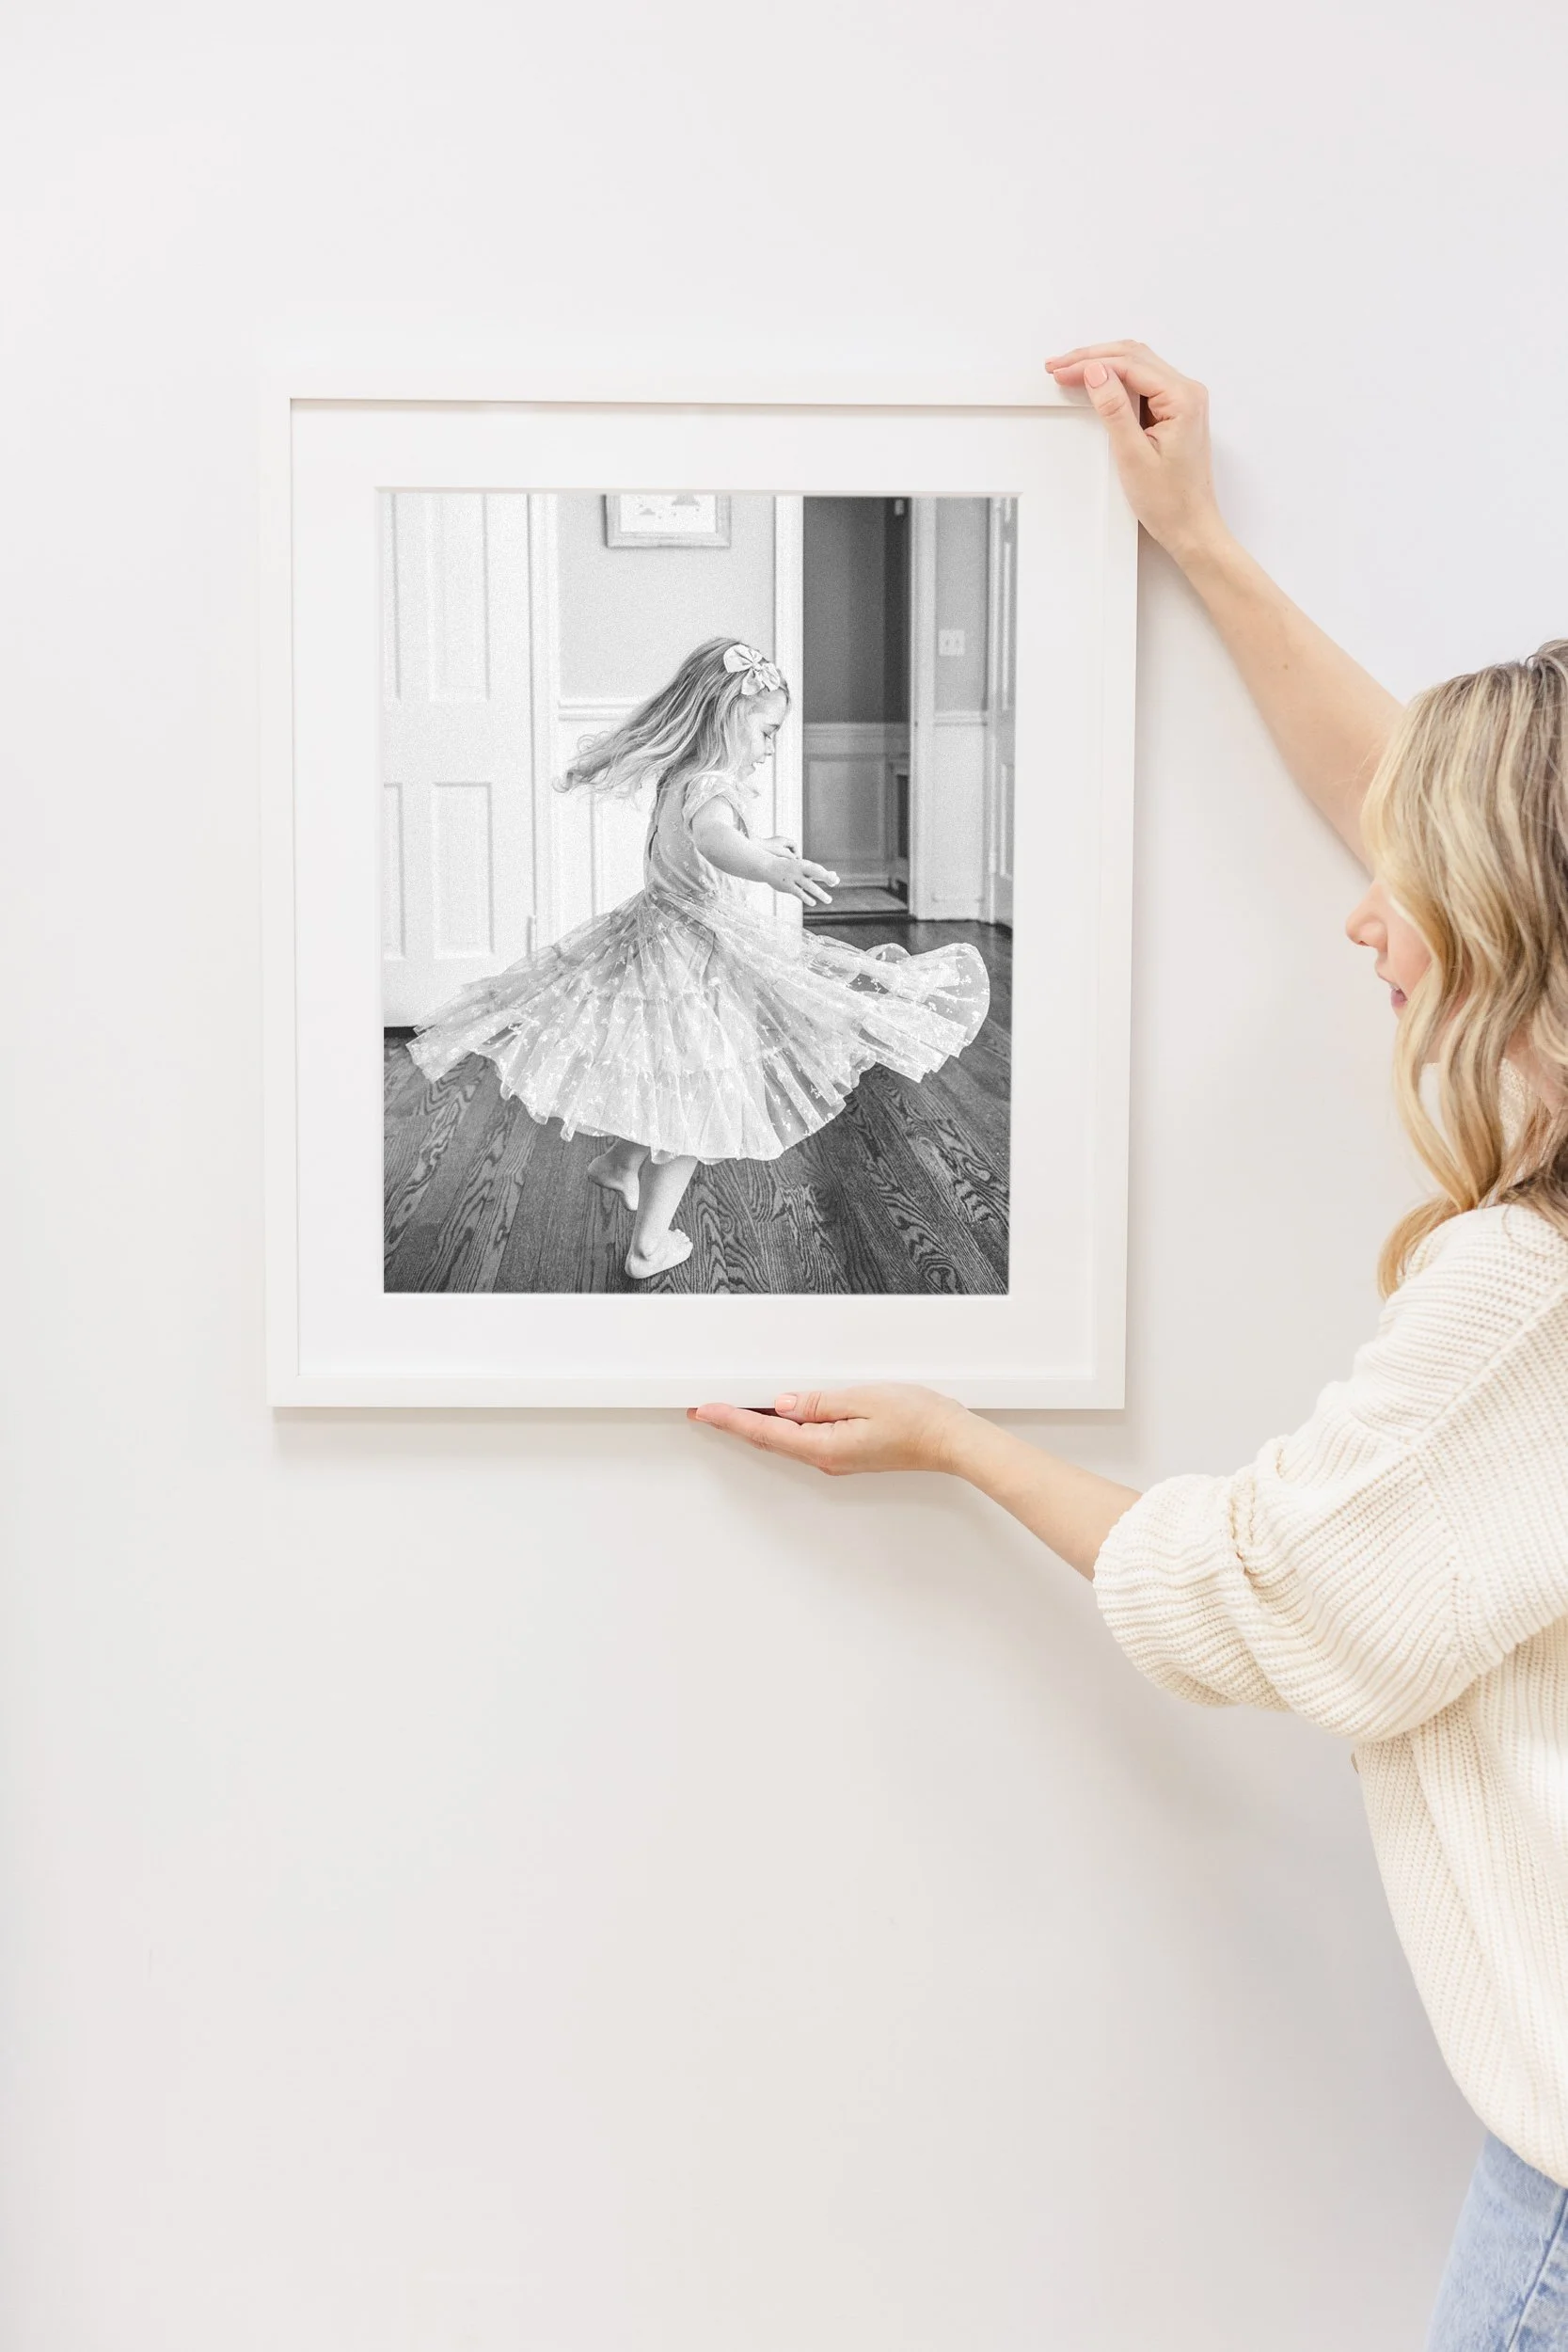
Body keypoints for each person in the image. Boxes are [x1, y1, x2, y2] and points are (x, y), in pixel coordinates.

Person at [690, 344, 1568, 2349]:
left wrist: (957, 1441)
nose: (1360, 917)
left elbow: (1258, 1595)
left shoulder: (1522, 1288)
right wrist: (1200, 552)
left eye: (1400, 887)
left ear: (1499, 922)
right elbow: (1420, 801)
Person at [408, 637, 989, 1280]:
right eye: (766, 733)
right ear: (728, 716)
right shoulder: (714, 787)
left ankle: (621, 1163)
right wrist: (767, 865)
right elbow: (715, 842)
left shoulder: (679, 776)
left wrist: (757, 846)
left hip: (650, 936)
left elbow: (706, 840)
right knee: (698, 1102)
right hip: (689, 960)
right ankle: (648, 1247)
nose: (769, 748)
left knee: (674, 1078)